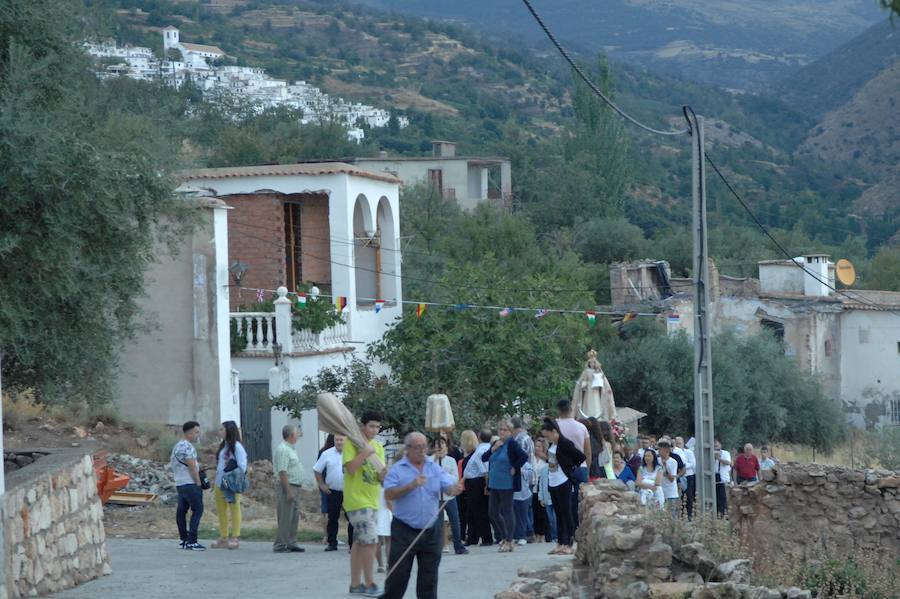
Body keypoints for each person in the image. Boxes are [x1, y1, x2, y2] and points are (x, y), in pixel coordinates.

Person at [381, 432, 463, 599]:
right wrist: (410, 486)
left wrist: (455, 489)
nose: (422, 451)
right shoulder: (397, 469)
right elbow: (389, 494)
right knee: (398, 576)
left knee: (429, 578)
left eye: (424, 447)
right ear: (408, 449)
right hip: (404, 530)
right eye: (418, 447)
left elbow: (447, 487)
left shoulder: (434, 467)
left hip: (430, 530)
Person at [342, 411, 386, 597]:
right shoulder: (351, 443)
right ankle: (369, 583)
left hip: (373, 500)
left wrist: (385, 474)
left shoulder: (378, 446)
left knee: (360, 543)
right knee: (370, 541)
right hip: (356, 500)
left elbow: (380, 476)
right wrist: (364, 453)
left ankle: (355, 585)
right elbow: (350, 468)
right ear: (362, 426)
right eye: (371, 426)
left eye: (377, 427)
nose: (374, 430)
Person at [539, 418, 585, 556]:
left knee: (566, 513)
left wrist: (568, 466)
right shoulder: (553, 445)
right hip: (552, 480)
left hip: (563, 480)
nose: (547, 439)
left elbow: (580, 456)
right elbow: (552, 460)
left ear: (554, 432)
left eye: (548, 435)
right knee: (558, 513)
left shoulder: (565, 443)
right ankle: (560, 542)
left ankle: (569, 543)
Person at [481, 419, 528, 553]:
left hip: (506, 482)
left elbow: (523, 456)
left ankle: (509, 540)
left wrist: (515, 467)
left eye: (504, 430)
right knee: (492, 512)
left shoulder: (512, 444)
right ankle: (504, 536)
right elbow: (484, 458)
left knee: (507, 511)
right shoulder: (496, 443)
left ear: (510, 432)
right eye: (500, 429)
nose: (501, 432)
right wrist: (493, 449)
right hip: (494, 482)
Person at [212, 420, 247, 550]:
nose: (220, 432)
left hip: (231, 483)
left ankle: (235, 537)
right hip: (219, 482)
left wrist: (233, 476)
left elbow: (242, 466)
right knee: (221, 510)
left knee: (234, 509)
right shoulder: (224, 446)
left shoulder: (237, 447)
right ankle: (223, 536)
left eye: (222, 429)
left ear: (229, 431)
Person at [555, 400, 591, 527]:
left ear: (558, 410)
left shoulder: (554, 426)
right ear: (571, 409)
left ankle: (566, 531)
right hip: (580, 467)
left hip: (560, 468)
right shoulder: (581, 427)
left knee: (562, 502)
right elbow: (587, 451)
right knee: (580, 500)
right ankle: (580, 527)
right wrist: (587, 468)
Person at [314, 433, 352, 552]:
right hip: (333, 491)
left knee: (351, 518)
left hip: (349, 492)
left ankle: (352, 545)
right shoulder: (327, 453)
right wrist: (321, 485)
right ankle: (332, 543)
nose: (339, 442)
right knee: (332, 518)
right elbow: (317, 470)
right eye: (337, 440)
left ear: (346, 440)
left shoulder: (352, 453)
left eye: (341, 439)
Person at [172, 420, 206, 551]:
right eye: (197, 432)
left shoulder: (177, 446)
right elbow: (192, 468)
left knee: (181, 511)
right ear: (190, 433)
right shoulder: (188, 447)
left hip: (180, 483)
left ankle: (184, 539)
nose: (198, 435)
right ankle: (192, 541)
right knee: (197, 510)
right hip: (190, 483)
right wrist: (198, 483)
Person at [430, 437, 468, 555]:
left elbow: (455, 477)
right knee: (438, 522)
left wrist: (443, 475)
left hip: (449, 495)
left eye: (442, 444)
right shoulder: (430, 460)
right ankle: (437, 545)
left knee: (455, 520)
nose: (440, 446)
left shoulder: (450, 460)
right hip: (436, 496)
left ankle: (458, 545)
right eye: (437, 444)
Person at [273, 424, 305, 554]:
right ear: (291, 435)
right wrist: (288, 490)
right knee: (286, 516)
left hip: (295, 486)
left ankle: (291, 542)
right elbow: (282, 471)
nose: (298, 435)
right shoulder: (283, 450)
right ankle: (280, 544)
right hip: (288, 486)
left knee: (294, 516)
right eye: (296, 433)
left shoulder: (291, 449)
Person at [462, 429, 493, 546]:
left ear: (479, 437)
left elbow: (484, 471)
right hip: (474, 482)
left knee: (480, 511)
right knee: (473, 512)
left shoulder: (481, 451)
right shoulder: (483, 449)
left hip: (476, 483)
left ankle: (486, 538)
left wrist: (486, 485)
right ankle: (473, 537)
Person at [510, 417, 535, 546]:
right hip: (528, 476)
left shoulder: (520, 440)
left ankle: (524, 533)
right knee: (525, 508)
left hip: (523, 476)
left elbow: (520, 458)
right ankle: (528, 532)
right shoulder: (527, 438)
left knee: (521, 508)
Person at [534, 437, 556, 543]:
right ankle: (538, 534)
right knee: (537, 513)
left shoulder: (546, 461)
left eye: (539, 446)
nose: (536, 448)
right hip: (535, 489)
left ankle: (548, 535)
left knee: (547, 516)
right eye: (536, 446)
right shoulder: (532, 459)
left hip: (546, 490)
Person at [457, 429, 478, 542]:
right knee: (462, 514)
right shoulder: (463, 453)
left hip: (468, 486)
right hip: (462, 486)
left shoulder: (473, 455)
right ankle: (462, 535)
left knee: (469, 514)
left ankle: (471, 536)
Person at [657, 440, 680, 518]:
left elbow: (671, 479)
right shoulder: (657, 461)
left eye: (660, 449)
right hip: (660, 492)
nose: (658, 451)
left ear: (666, 450)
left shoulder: (673, 462)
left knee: (672, 516)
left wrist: (665, 466)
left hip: (671, 493)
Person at [675, 436, 697, 520]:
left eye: (679, 443)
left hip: (688, 475)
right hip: (679, 476)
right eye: (676, 443)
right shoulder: (675, 453)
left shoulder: (689, 452)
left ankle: (689, 514)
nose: (678, 445)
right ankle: (680, 514)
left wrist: (683, 466)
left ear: (683, 443)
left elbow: (693, 464)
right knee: (680, 496)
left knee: (689, 495)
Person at [375, 486, 392, 573]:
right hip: (385, 513)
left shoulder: (373, 484)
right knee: (388, 540)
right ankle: (389, 564)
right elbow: (389, 502)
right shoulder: (388, 486)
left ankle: (380, 565)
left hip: (375, 512)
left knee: (377, 540)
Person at [714, 440, 732, 517]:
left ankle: (724, 514)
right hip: (713, 476)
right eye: (714, 446)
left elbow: (728, 462)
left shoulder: (725, 453)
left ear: (720, 445)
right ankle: (716, 514)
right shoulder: (708, 453)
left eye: (717, 445)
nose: (716, 447)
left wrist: (719, 459)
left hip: (723, 477)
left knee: (723, 497)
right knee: (715, 497)